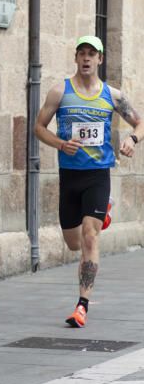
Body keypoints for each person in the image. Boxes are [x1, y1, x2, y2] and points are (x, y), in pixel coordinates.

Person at [34, 35, 144, 327]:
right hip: (69, 175)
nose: (86, 58)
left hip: (98, 174)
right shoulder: (60, 92)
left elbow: (140, 122)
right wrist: (59, 144)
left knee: (89, 236)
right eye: (81, 53)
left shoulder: (113, 95)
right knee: (72, 243)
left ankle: (81, 305)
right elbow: (38, 128)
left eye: (91, 54)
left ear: (100, 59)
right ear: (76, 58)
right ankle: (100, 215)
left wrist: (133, 139)